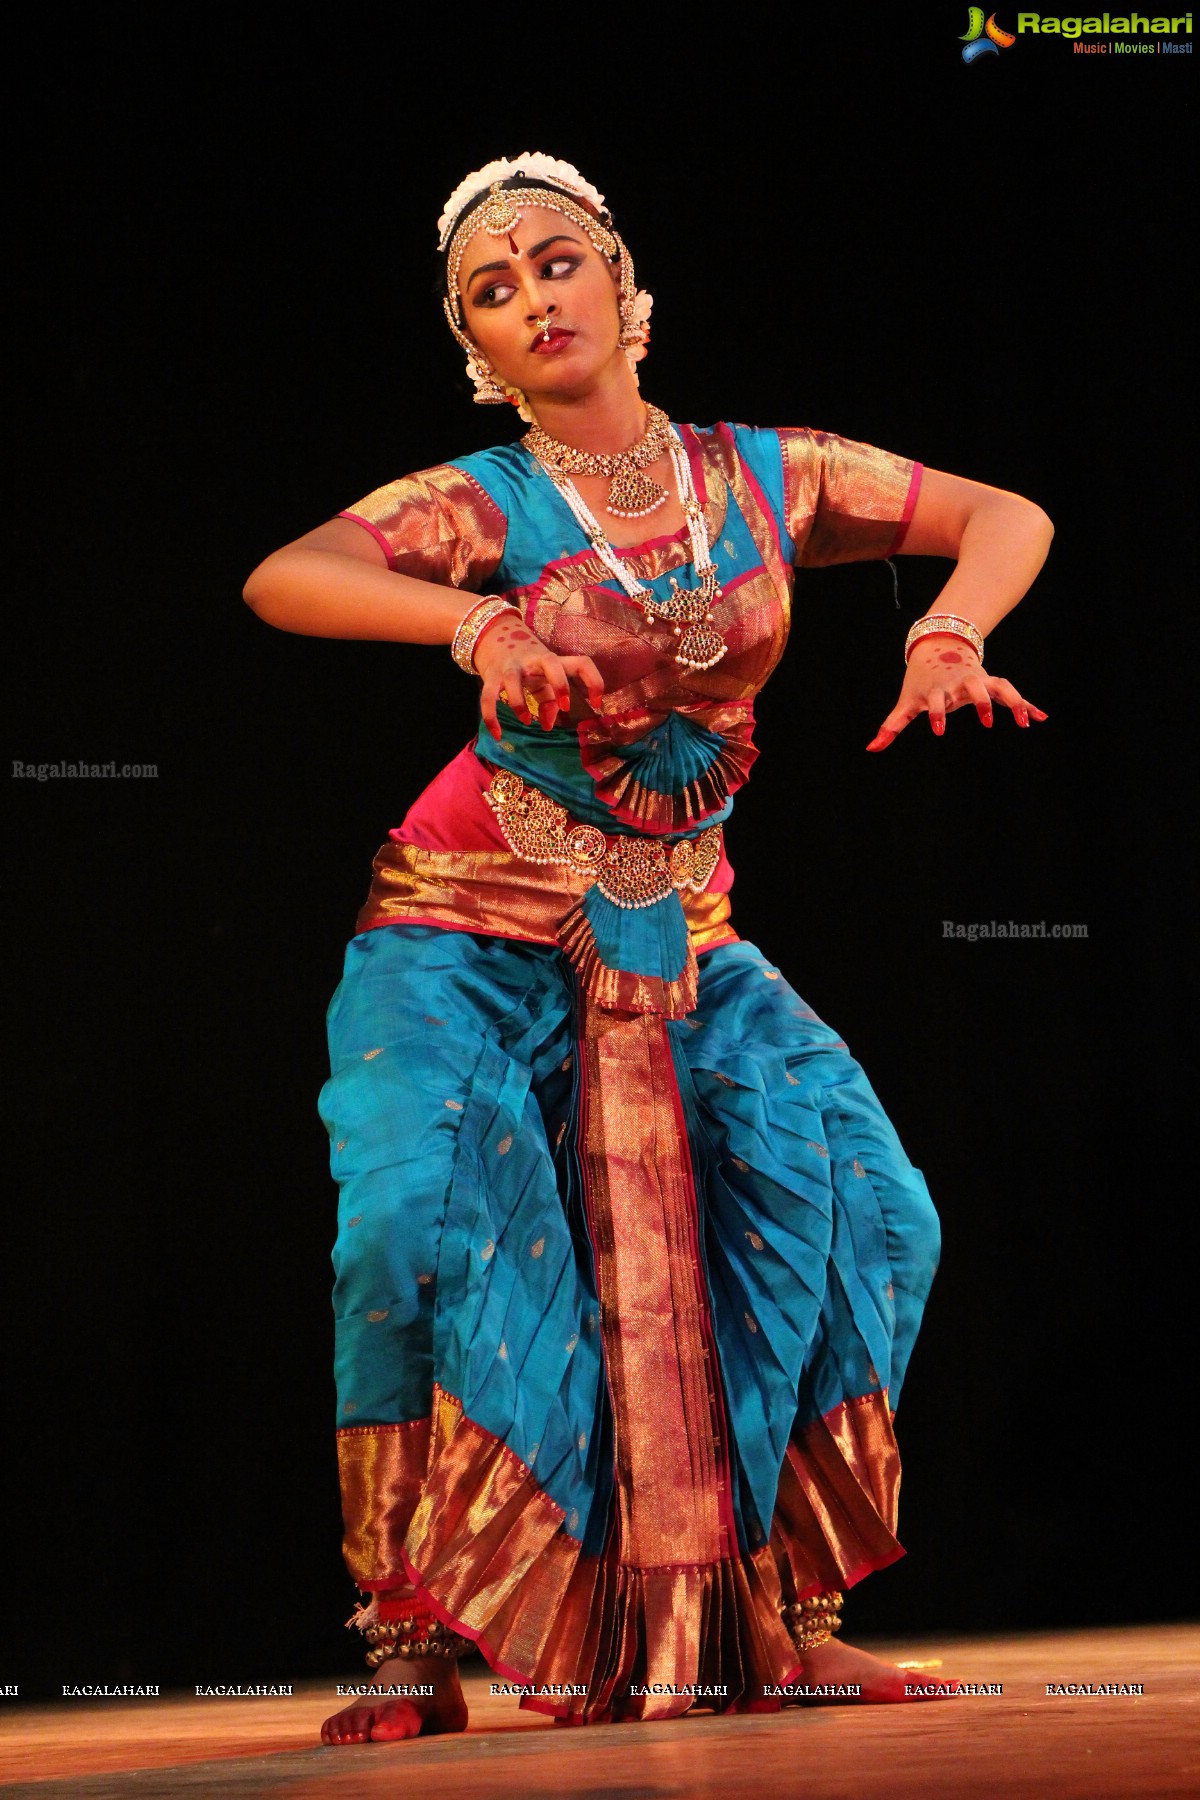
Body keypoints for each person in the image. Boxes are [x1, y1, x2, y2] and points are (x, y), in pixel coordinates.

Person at [243, 153, 1052, 1746]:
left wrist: (947, 628)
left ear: (624, 287)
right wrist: (473, 623)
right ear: (477, 346)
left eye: (557, 263)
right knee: (406, 1225)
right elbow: (291, 576)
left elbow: (1002, 512)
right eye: (493, 288)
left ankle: (787, 1611)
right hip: (466, 919)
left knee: (875, 1212)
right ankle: (408, 1630)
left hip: (676, 926)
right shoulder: (486, 502)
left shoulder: (770, 476)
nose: (534, 296)